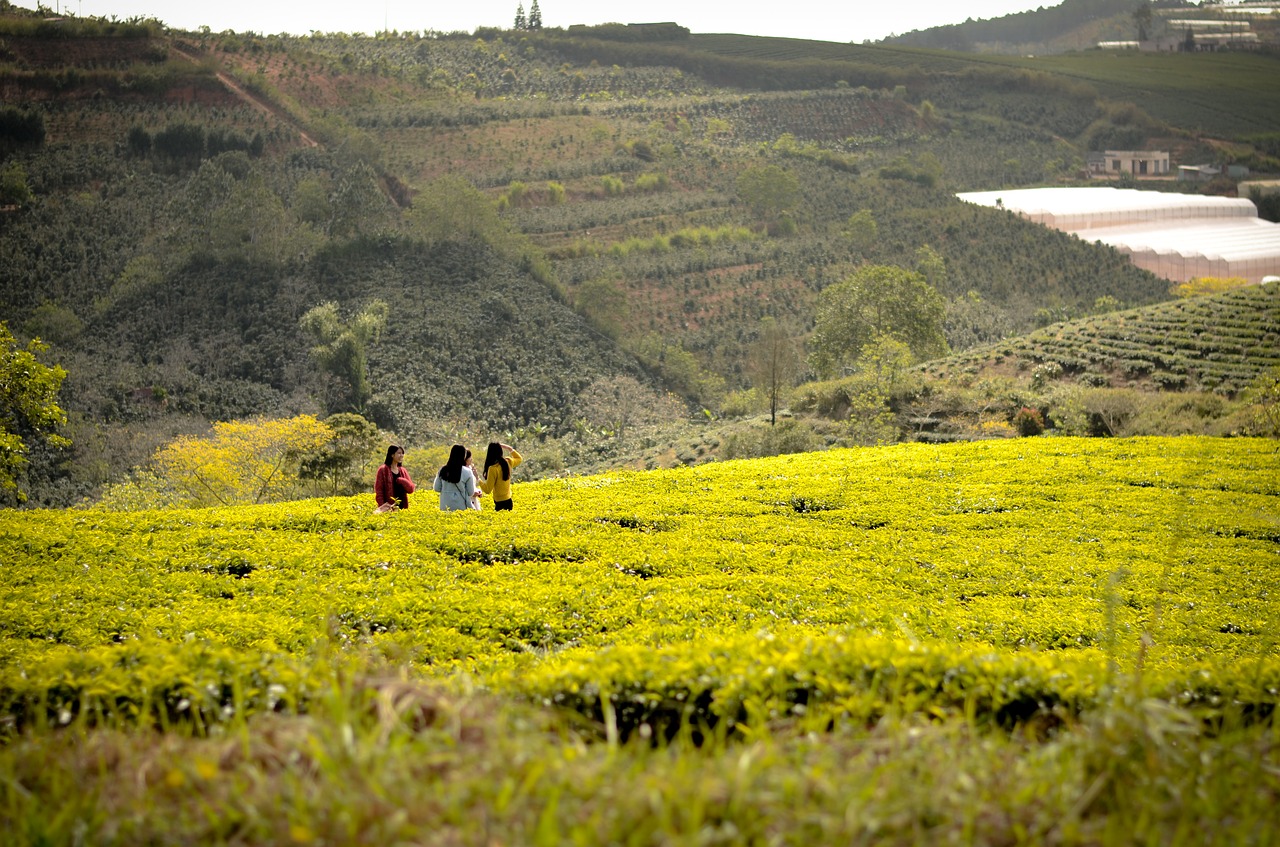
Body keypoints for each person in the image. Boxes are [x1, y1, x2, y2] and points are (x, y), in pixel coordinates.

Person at [433, 444, 477, 512]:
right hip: (461, 507)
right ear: (463, 456)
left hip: (445, 506)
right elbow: (470, 492)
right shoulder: (467, 471)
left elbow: (437, 488)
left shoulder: (443, 470)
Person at [479, 441, 522, 511]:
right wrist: (509, 448)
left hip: (499, 503)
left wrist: (478, 479)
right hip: (509, 500)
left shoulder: (492, 469)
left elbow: (487, 490)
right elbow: (519, 459)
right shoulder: (508, 462)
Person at [374, 445, 415, 511]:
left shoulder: (403, 470)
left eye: (402, 453)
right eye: (399, 453)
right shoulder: (383, 470)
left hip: (403, 508)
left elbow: (411, 489)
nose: (401, 455)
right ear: (392, 455)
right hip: (388, 508)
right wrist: (383, 507)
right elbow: (379, 491)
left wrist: (401, 480)